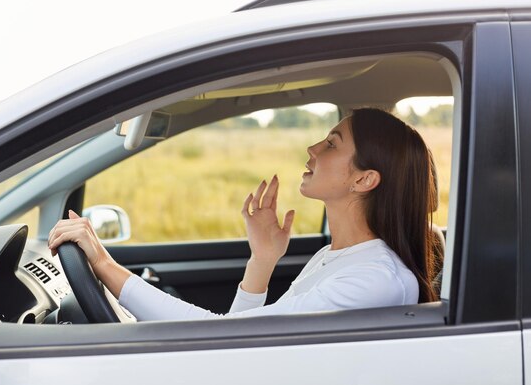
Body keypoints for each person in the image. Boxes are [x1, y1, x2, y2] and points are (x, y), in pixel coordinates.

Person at [48, 108, 438, 321]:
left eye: (332, 143)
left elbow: (225, 338)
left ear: (365, 179)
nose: (313, 148)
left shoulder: (374, 280)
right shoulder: (337, 258)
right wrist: (262, 260)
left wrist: (103, 263)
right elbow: (242, 341)